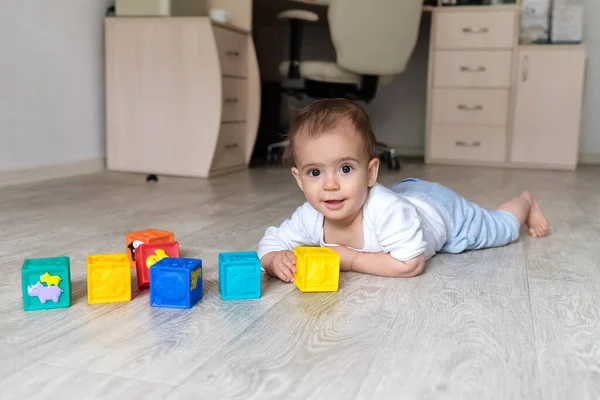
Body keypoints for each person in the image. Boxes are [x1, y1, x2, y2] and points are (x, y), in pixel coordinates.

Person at [257, 99, 549, 282]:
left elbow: (410, 263)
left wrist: (350, 259)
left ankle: (525, 203)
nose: (330, 185)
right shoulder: (309, 216)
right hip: (406, 197)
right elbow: (272, 241)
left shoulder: (386, 211)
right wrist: (273, 260)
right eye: (315, 172)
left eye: (345, 169)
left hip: (440, 212)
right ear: (299, 179)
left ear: (370, 172)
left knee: (499, 229)